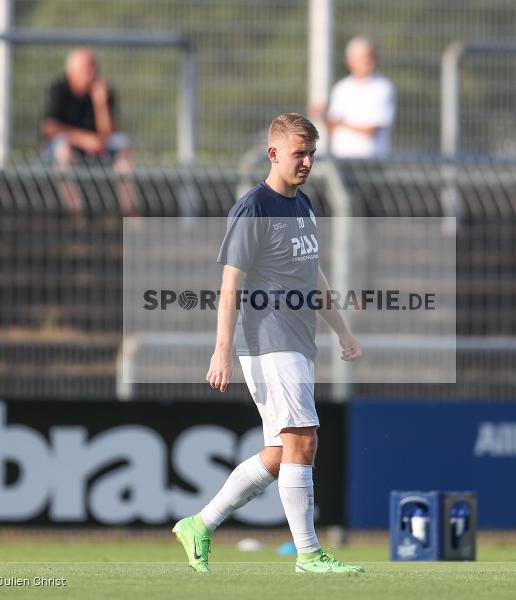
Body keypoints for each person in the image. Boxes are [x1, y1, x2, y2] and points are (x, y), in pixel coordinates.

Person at [172, 113, 364, 574]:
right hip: (269, 341)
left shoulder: (303, 206)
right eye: (299, 153)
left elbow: (312, 274)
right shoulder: (253, 207)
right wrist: (221, 349)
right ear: (273, 153)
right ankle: (309, 554)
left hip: (298, 343)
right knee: (303, 438)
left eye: (312, 154)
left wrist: (341, 329)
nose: (307, 162)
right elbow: (230, 283)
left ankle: (199, 524)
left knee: (283, 452)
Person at [42, 48, 135, 215]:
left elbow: (108, 134)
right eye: (87, 69)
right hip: (69, 146)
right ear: (72, 72)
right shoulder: (59, 90)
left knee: (124, 148)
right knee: (64, 151)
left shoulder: (103, 91)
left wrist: (101, 104)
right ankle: (76, 216)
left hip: (97, 146)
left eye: (94, 68)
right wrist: (83, 139)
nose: (92, 73)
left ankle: (131, 216)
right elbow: (49, 128)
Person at [313, 36, 395, 159]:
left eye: (371, 56)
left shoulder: (383, 87)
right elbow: (332, 129)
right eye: (364, 57)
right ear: (350, 61)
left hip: (372, 162)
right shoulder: (341, 88)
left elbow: (371, 130)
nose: (369, 61)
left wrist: (340, 123)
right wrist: (322, 116)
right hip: (341, 160)